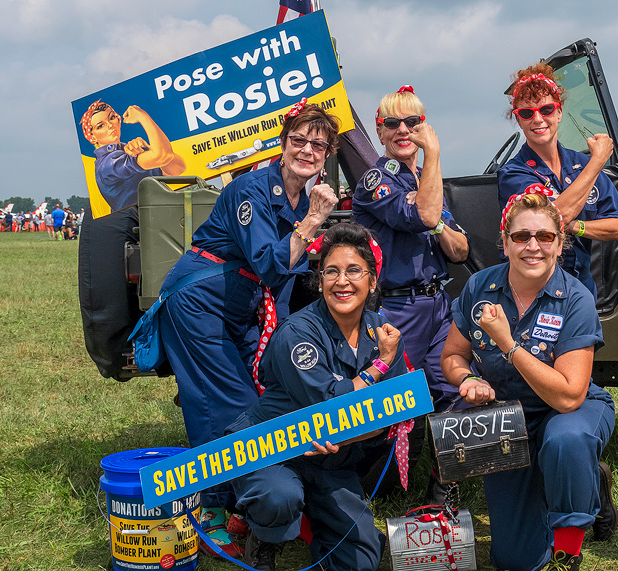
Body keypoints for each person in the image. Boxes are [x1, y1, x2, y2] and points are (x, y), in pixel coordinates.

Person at [148, 100, 340, 555]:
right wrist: (314, 220)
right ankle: (214, 511)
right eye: (299, 141)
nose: (307, 151)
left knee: (261, 397)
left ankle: (244, 499)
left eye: (318, 145)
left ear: (327, 153)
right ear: (283, 142)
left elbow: (288, 284)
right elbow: (272, 265)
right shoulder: (251, 190)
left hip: (242, 305)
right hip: (201, 300)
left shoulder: (296, 198)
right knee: (226, 405)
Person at [438, 190, 613, 571]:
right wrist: (467, 379)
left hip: (566, 411)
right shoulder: (480, 287)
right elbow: (452, 355)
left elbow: (568, 397)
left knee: (567, 441)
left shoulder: (575, 298)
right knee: (515, 561)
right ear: (505, 243)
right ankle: (589, 479)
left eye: (545, 237)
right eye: (521, 237)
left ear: (559, 243)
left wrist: (508, 343)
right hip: (506, 419)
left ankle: (569, 550)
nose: (533, 246)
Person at [228, 222, 406, 571]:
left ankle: (320, 535)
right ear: (319, 280)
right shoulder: (298, 331)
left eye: (354, 270)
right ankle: (264, 533)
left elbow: (390, 415)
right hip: (271, 449)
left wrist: (346, 432)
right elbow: (332, 408)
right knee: (279, 498)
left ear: (372, 281)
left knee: (363, 557)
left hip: (332, 458)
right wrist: (380, 366)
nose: (342, 281)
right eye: (331, 272)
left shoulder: (383, 333)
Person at [349, 85, 472, 504]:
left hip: (439, 304)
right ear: (379, 133)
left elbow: (460, 249)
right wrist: (434, 157)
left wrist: (437, 222)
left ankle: (444, 487)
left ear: (424, 125)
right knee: (388, 402)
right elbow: (426, 214)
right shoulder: (375, 179)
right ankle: (367, 487)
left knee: (453, 391)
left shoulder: (425, 180)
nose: (403, 129)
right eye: (392, 123)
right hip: (396, 307)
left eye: (413, 121)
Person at [496, 63, 618, 299]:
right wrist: (597, 162)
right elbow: (556, 217)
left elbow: (616, 228)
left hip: (581, 287)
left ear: (559, 112)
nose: (537, 119)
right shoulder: (513, 173)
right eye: (526, 113)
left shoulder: (581, 165)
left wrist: (578, 227)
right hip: (535, 291)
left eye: (546, 110)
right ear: (518, 119)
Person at [79, 101, 186, 214]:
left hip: (157, 216)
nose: (110, 125)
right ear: (92, 137)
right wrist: (143, 116)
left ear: (118, 120)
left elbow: (178, 168)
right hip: (138, 224)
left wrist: (150, 151)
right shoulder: (107, 164)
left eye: (111, 117)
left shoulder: (126, 150)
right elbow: (163, 156)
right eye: (100, 126)